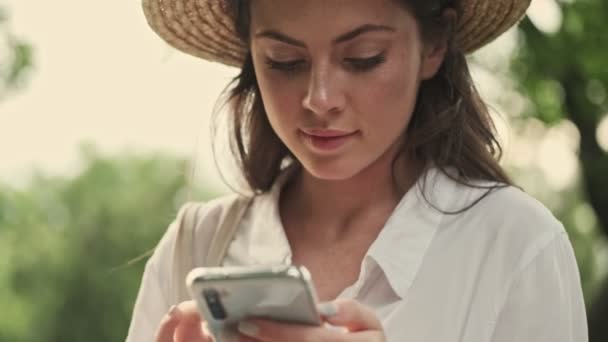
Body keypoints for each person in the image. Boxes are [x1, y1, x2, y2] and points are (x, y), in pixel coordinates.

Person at [127, 0, 589, 341]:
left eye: (363, 57)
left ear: (433, 46)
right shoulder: (196, 247)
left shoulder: (515, 246)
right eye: (285, 62)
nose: (320, 98)